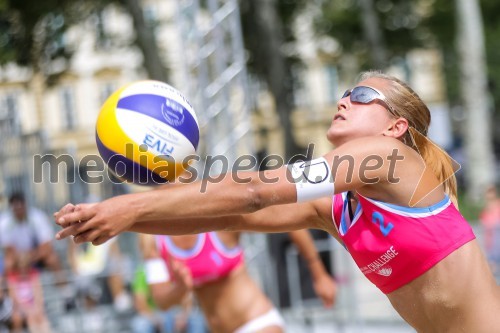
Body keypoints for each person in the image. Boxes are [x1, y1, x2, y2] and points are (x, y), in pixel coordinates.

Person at [54, 70, 500, 332]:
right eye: (345, 92)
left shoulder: (388, 156)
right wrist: (115, 218)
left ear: (396, 126)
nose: (344, 99)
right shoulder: (337, 208)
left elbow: (254, 191)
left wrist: (128, 209)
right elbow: (226, 211)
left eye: (363, 95)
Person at [137, 228, 334, 333]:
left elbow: (288, 217)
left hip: (257, 321)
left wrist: (319, 273)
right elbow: (161, 301)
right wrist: (180, 289)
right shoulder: (152, 239)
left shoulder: (217, 220)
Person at [0, 193, 61, 277]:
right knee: (8, 264)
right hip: (17, 258)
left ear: (25, 205)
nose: (19, 211)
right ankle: (8, 289)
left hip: (37, 256)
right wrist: (21, 259)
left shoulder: (38, 217)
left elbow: (46, 246)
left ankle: (62, 288)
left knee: (52, 259)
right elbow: (8, 250)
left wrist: (30, 257)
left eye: (20, 207)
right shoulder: (4, 222)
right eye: (16, 208)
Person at [6, 252, 52, 333]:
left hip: (32, 305)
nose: (22, 269)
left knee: (40, 316)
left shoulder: (33, 274)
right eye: (20, 266)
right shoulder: (12, 276)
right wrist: (28, 310)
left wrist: (38, 308)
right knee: (27, 318)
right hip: (19, 307)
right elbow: (14, 298)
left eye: (25, 266)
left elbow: (38, 294)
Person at [480, 185, 500, 274]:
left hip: (497, 240)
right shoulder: (485, 210)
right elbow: (484, 225)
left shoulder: (498, 205)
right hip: (490, 243)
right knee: (493, 268)